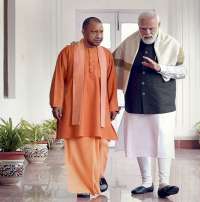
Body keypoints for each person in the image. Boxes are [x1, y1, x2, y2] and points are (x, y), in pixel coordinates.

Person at [113, 11, 185, 198]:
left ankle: (164, 183)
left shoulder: (172, 44)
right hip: (135, 101)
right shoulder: (129, 43)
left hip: (161, 101)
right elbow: (109, 61)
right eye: (143, 28)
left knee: (163, 140)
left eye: (151, 28)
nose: (146, 31)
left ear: (158, 26)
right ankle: (146, 182)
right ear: (139, 26)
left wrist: (160, 68)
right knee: (139, 141)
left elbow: (183, 70)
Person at [50, 17, 119, 199]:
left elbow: (111, 83)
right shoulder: (68, 52)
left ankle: (97, 176)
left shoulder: (106, 55)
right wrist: (56, 102)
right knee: (80, 147)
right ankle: (83, 184)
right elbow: (58, 78)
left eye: (101, 32)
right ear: (83, 32)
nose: (99, 36)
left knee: (102, 145)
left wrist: (113, 105)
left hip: (100, 110)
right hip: (75, 111)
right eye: (94, 31)